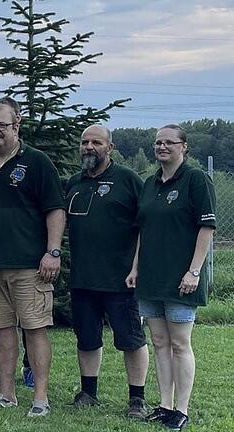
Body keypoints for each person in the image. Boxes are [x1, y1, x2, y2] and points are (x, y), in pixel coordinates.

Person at [0, 97, 65, 417]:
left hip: (30, 266)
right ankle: (6, 393)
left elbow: (55, 210)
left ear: (16, 126)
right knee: (1, 329)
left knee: (34, 329)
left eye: (1, 125)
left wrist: (53, 252)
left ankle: (40, 398)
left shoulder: (37, 162)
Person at [126, 124, 216, 430]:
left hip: (182, 279)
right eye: (157, 143)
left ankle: (182, 409)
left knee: (180, 344)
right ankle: (164, 405)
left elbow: (206, 229)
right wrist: (135, 268)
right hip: (151, 278)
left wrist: (194, 271)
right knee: (160, 342)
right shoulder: (150, 183)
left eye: (169, 142)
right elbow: (143, 231)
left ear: (183, 147)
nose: (162, 147)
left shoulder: (195, 179)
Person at [65, 125, 150, 418]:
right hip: (83, 278)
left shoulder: (128, 180)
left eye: (96, 142)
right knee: (87, 338)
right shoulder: (74, 183)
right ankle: (88, 392)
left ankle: (137, 399)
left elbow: (146, 227)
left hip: (121, 279)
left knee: (131, 339)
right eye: (84, 141)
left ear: (109, 148)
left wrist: (138, 266)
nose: (89, 147)